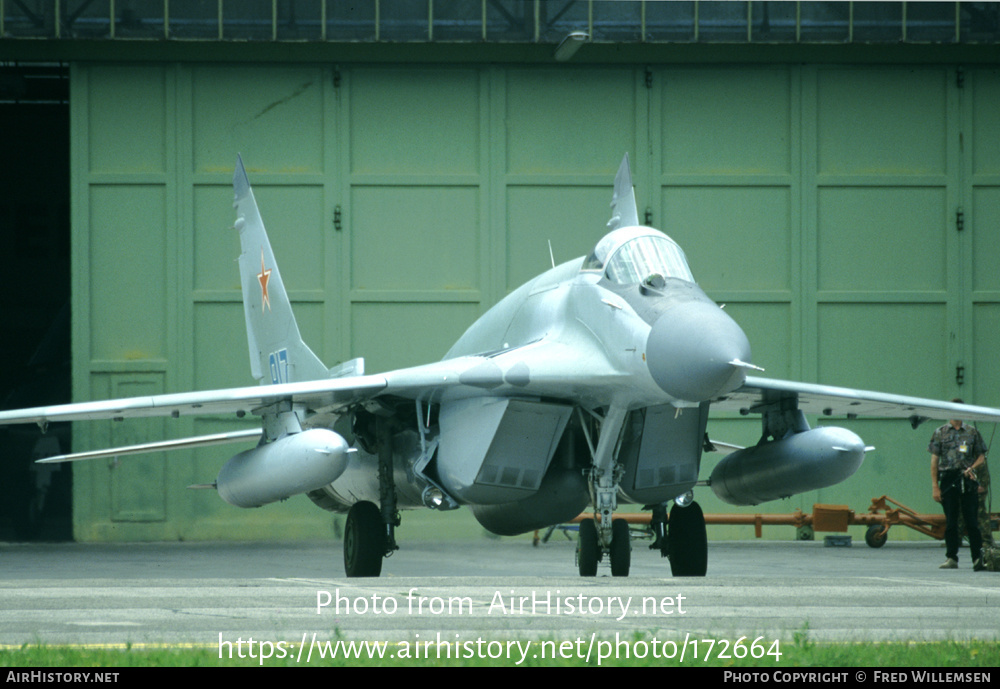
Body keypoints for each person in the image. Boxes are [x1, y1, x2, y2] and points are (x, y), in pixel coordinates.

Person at [929, 402, 987, 571]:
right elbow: (934, 461)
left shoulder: (972, 432)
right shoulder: (940, 432)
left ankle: (978, 558)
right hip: (948, 478)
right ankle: (951, 557)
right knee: (951, 521)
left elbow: (981, 456)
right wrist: (935, 486)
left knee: (972, 520)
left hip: (967, 477)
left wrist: (972, 468)